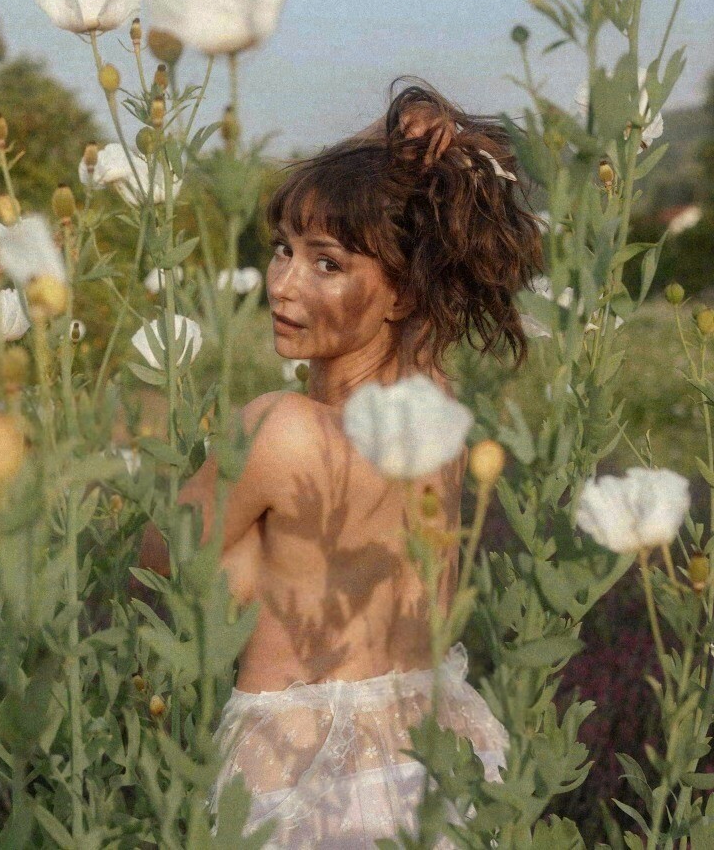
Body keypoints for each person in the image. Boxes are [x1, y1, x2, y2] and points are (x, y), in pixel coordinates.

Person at [136, 81, 544, 847]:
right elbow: (419, 217)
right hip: (440, 769)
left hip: (303, 782)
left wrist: (243, 550)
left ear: (402, 291)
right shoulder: (436, 409)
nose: (284, 285)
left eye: (327, 264)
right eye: (283, 249)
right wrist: (412, 144)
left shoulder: (281, 429)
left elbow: (156, 563)